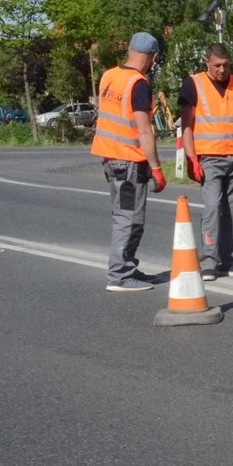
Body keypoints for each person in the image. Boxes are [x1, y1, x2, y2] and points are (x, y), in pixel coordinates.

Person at [179, 43, 233, 282]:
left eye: (226, 65)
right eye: (217, 65)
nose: (221, 70)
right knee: (213, 208)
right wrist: (191, 158)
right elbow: (186, 126)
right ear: (207, 62)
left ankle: (227, 259)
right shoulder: (193, 84)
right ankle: (209, 260)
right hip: (208, 158)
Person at [91, 31, 165, 292]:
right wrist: (156, 167)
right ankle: (120, 275)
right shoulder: (138, 84)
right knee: (129, 218)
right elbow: (144, 130)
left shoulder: (110, 76)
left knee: (126, 216)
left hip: (111, 158)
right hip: (129, 162)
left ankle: (127, 267)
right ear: (153, 57)